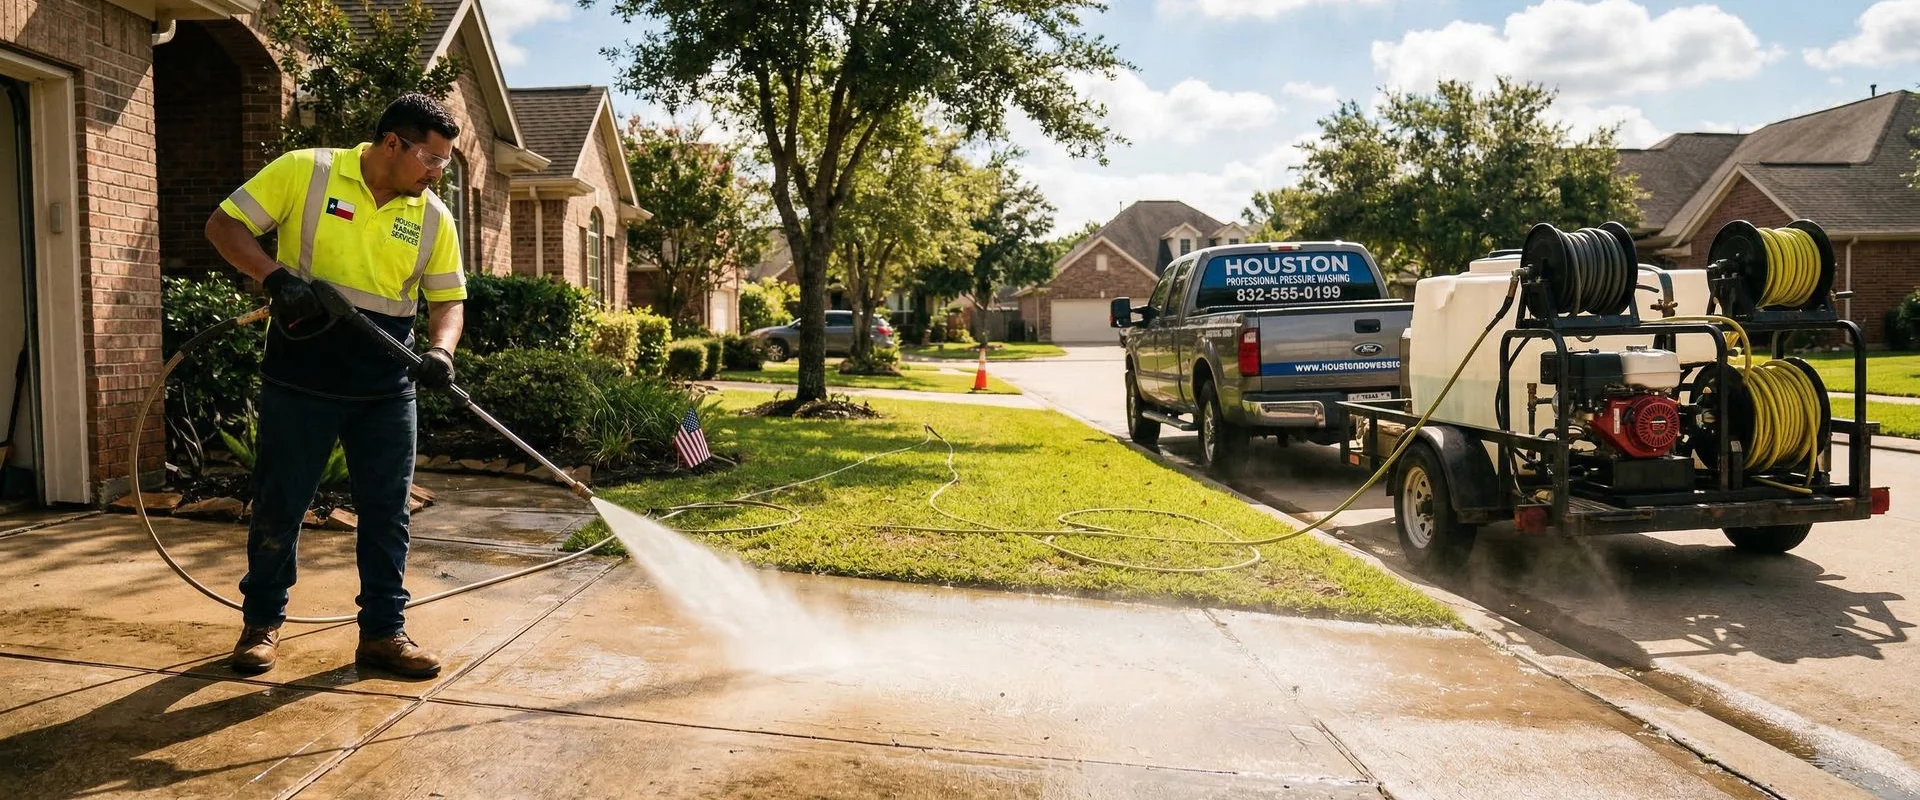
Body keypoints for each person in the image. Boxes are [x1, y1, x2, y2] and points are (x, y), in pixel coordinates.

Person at [204, 93, 467, 678]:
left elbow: (448, 299)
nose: (436, 172)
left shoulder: (432, 217)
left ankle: (383, 633)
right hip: (301, 378)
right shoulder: (307, 170)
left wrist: (440, 351)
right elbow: (223, 226)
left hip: (386, 386)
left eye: (444, 162)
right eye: (430, 158)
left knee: (387, 513)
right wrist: (274, 278)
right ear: (393, 143)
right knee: (281, 505)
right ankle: (261, 624)